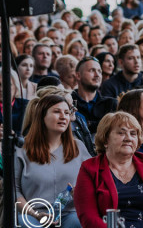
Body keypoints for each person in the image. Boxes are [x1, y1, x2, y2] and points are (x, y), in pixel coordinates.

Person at [74, 112, 143, 227]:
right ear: (105, 140)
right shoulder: (89, 168)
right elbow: (88, 216)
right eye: (121, 133)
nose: (128, 138)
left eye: (133, 134)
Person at [15, 94, 91, 228]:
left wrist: (81, 191)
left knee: (80, 222)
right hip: (33, 214)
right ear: (41, 116)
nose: (63, 116)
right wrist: (35, 214)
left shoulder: (78, 147)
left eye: (67, 113)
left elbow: (94, 182)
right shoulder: (22, 148)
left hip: (69, 213)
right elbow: (15, 192)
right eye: (57, 112)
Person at [72, 57, 118, 133]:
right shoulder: (68, 103)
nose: (97, 75)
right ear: (78, 75)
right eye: (92, 70)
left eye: (99, 71)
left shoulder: (111, 104)